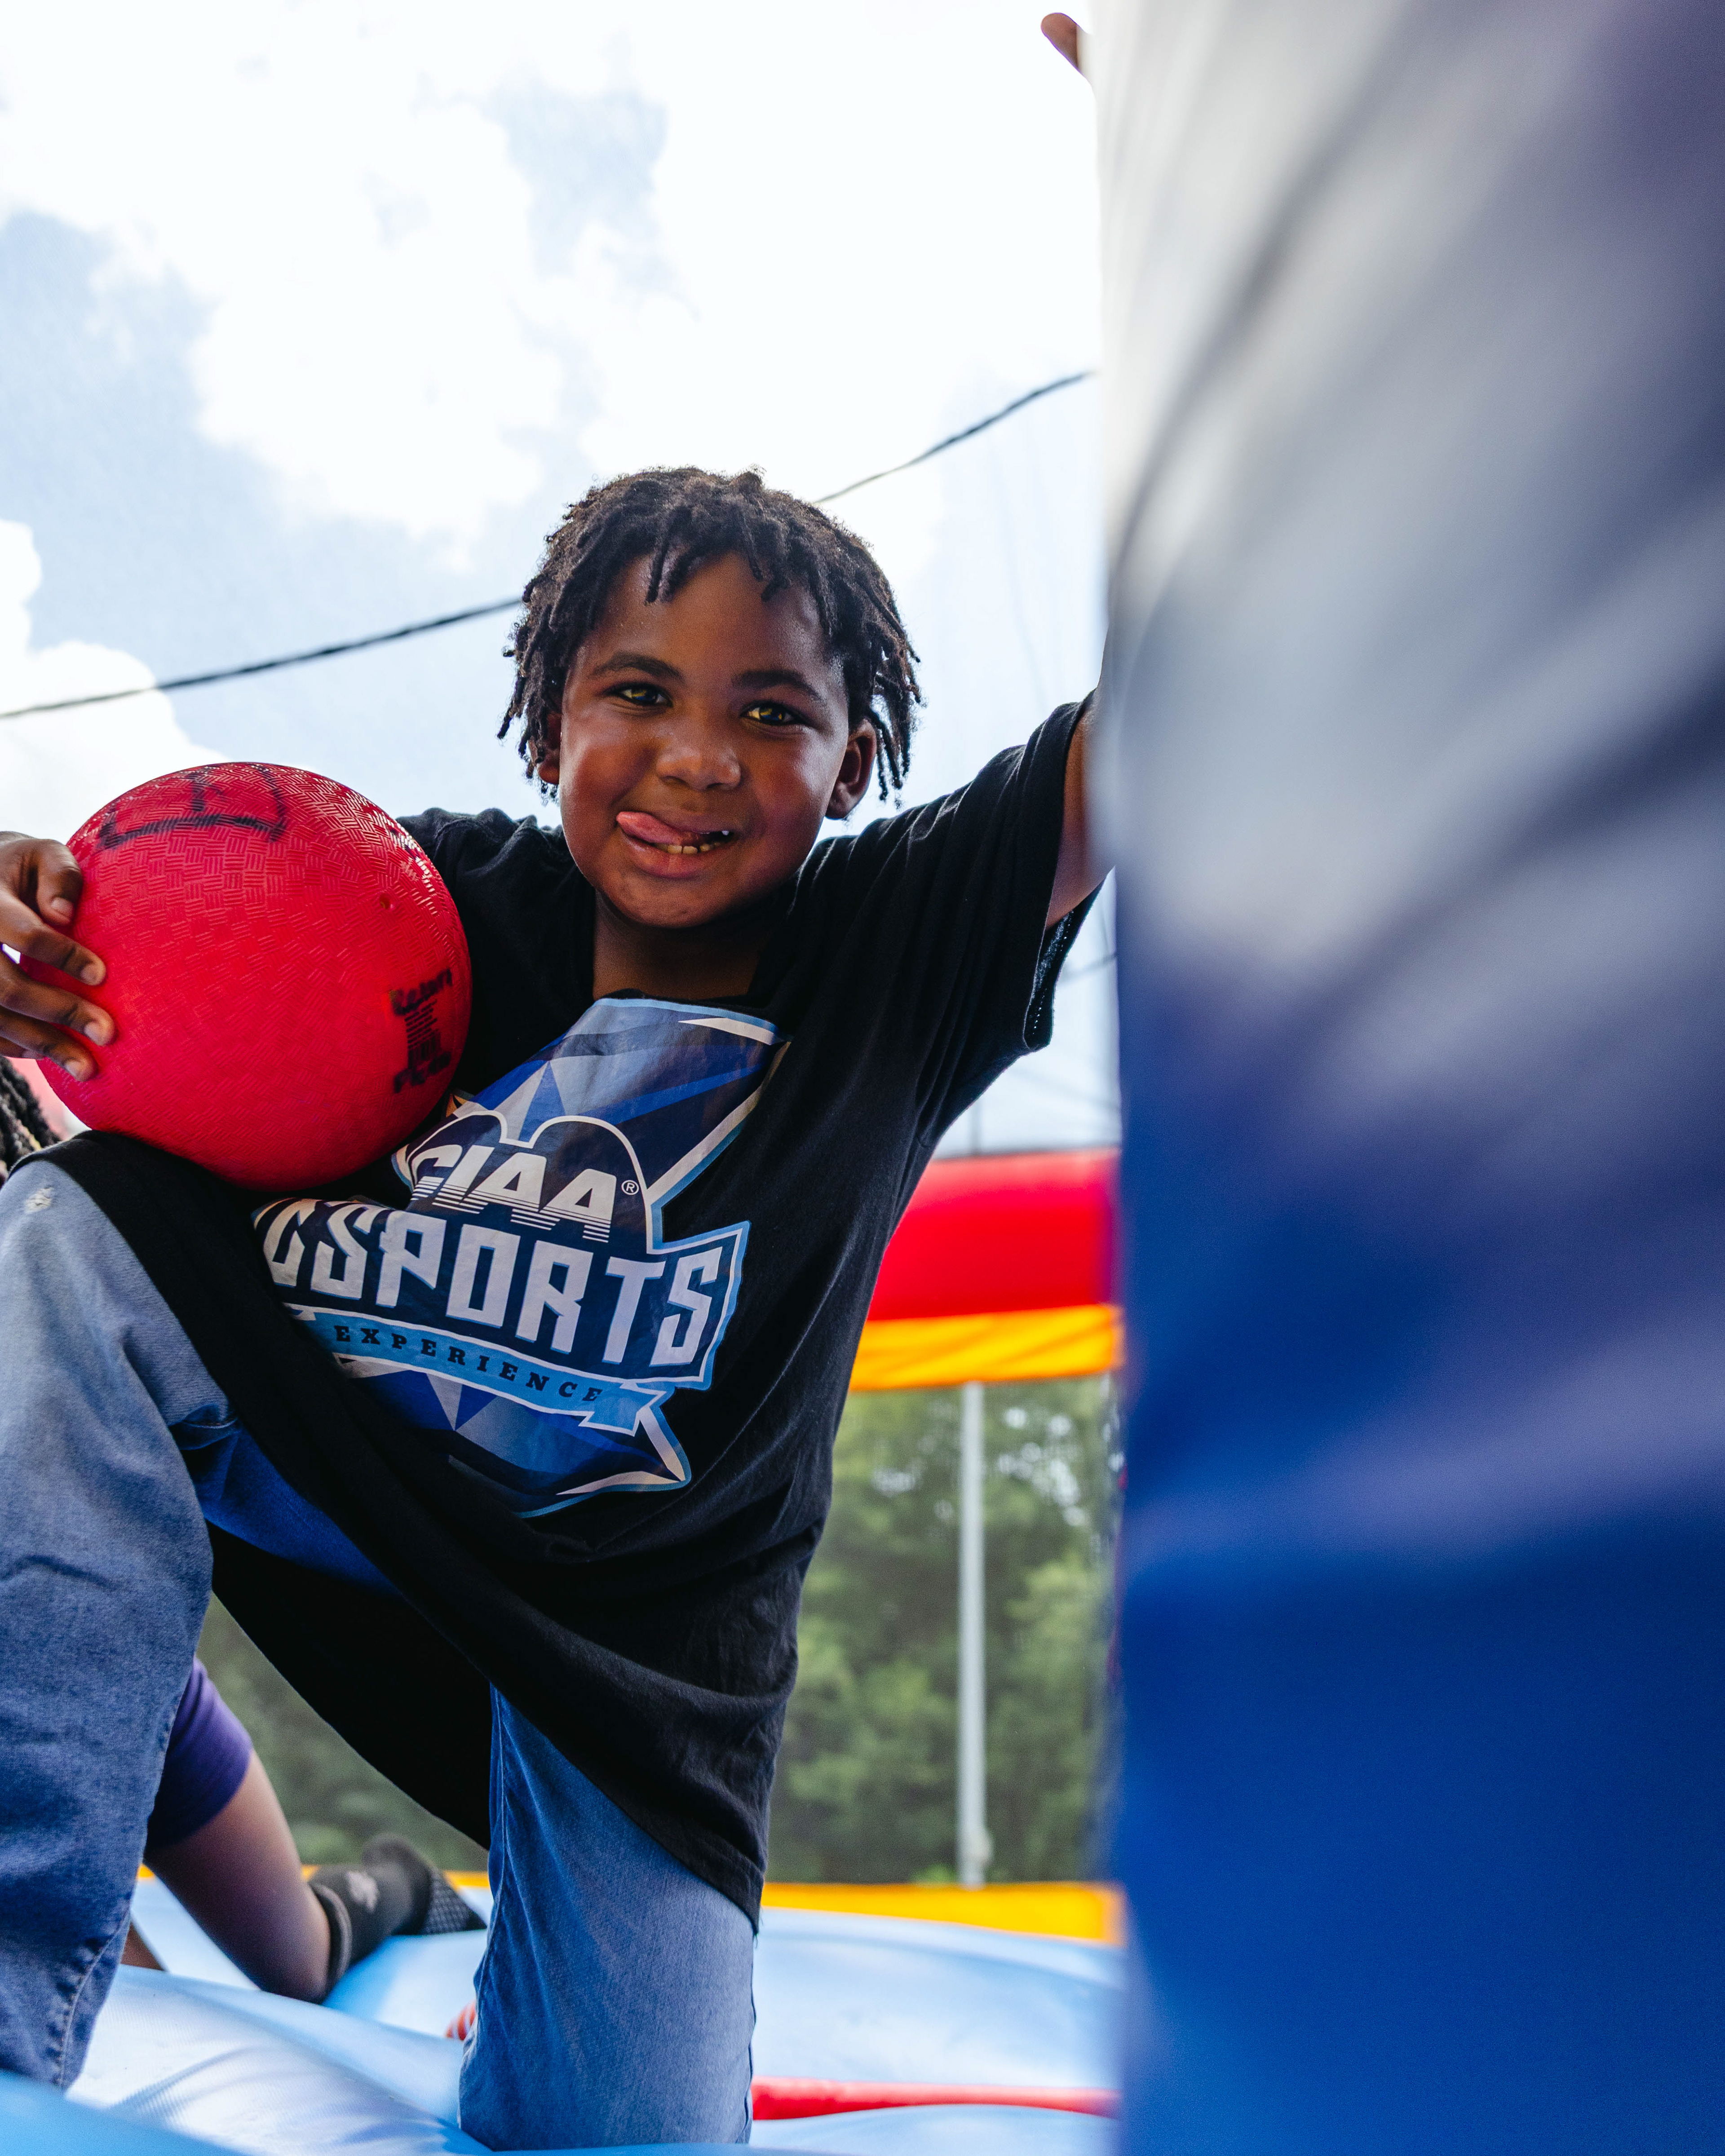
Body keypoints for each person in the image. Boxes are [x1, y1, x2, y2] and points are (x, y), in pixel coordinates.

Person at [0, 463, 1102, 2147]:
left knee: (617, 2135)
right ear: (549, 721)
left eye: (773, 712)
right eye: (638, 694)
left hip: (636, 1651)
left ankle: (394, 1912)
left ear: (855, 758)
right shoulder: (408, 907)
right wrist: (43, 931)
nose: (698, 756)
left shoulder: (906, 945)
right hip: (357, 1490)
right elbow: (126, 975)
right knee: (61, 1238)